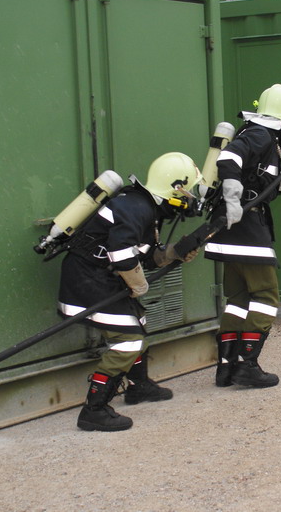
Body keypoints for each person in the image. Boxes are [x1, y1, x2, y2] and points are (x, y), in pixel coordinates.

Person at [57, 152, 202, 432]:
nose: (190, 198)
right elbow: (122, 256)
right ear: (176, 188)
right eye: (188, 190)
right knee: (128, 341)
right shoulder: (137, 207)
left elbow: (143, 255)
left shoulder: (145, 207)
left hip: (102, 278)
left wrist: (173, 253)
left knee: (139, 323)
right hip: (86, 281)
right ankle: (94, 410)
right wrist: (139, 285)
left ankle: (138, 386)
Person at [204, 84, 281, 389]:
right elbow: (228, 159)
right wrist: (233, 198)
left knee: (238, 299)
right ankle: (247, 365)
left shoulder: (261, 135)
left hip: (231, 227)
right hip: (245, 226)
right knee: (266, 296)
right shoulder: (261, 134)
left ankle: (226, 368)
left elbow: (259, 189)